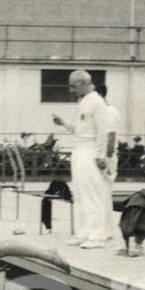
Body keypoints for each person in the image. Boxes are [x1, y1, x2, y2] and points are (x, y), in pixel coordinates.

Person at [52, 70, 114, 249]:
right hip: (79, 150)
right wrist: (63, 123)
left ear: (84, 83)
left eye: (73, 85)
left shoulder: (97, 103)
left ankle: (97, 236)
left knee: (92, 195)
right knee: (79, 195)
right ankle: (83, 232)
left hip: (91, 151)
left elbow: (104, 131)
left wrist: (101, 156)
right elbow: (78, 129)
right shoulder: (83, 103)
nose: (70, 90)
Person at [97, 84, 121, 246]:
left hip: (108, 157)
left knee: (104, 193)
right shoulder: (102, 112)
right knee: (100, 193)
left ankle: (105, 231)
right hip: (102, 156)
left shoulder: (109, 111)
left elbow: (111, 136)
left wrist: (107, 158)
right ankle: (103, 229)